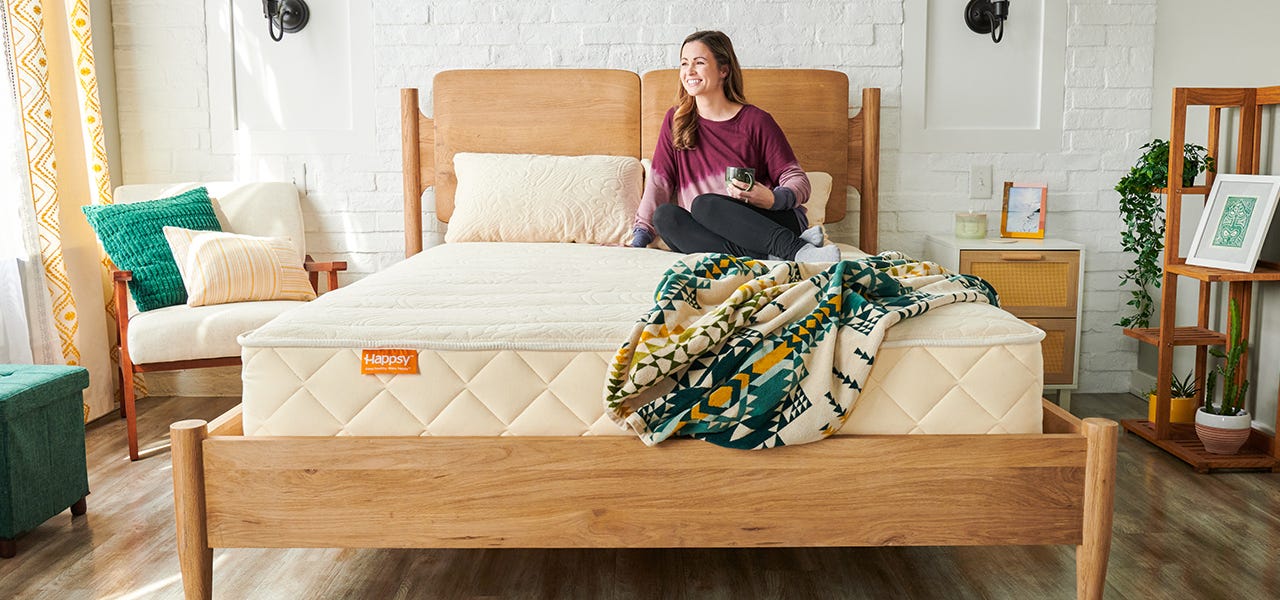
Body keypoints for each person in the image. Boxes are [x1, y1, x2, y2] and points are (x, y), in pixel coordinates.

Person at [629, 30, 839, 263]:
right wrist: (639, 239)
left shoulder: (755, 121)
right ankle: (774, 254)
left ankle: (796, 250)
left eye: (699, 63)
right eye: (684, 63)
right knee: (666, 217)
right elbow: (659, 183)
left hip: (769, 219)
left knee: (704, 204)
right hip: (717, 231)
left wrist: (771, 198)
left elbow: (797, 179)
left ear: (724, 70)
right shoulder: (675, 121)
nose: (689, 71)